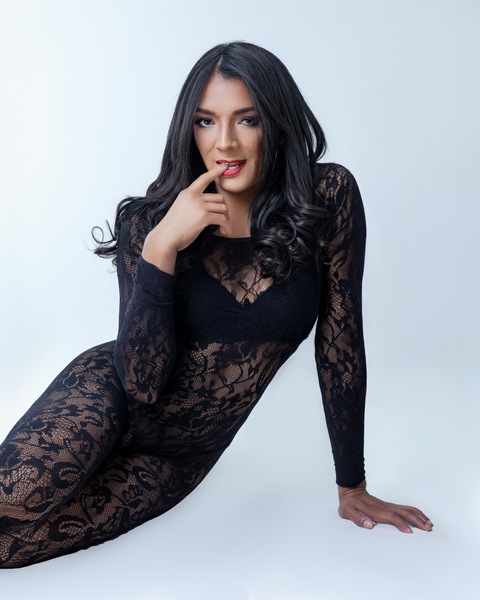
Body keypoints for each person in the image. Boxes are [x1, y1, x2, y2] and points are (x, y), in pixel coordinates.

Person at [0, 41, 433, 568]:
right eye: (206, 121)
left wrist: (352, 486)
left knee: (8, 549)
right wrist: (162, 247)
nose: (225, 141)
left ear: (276, 122)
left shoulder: (326, 197)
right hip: (104, 396)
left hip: (177, 460)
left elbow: (340, 346)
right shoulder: (149, 223)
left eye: (246, 120)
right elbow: (140, 385)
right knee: (15, 498)